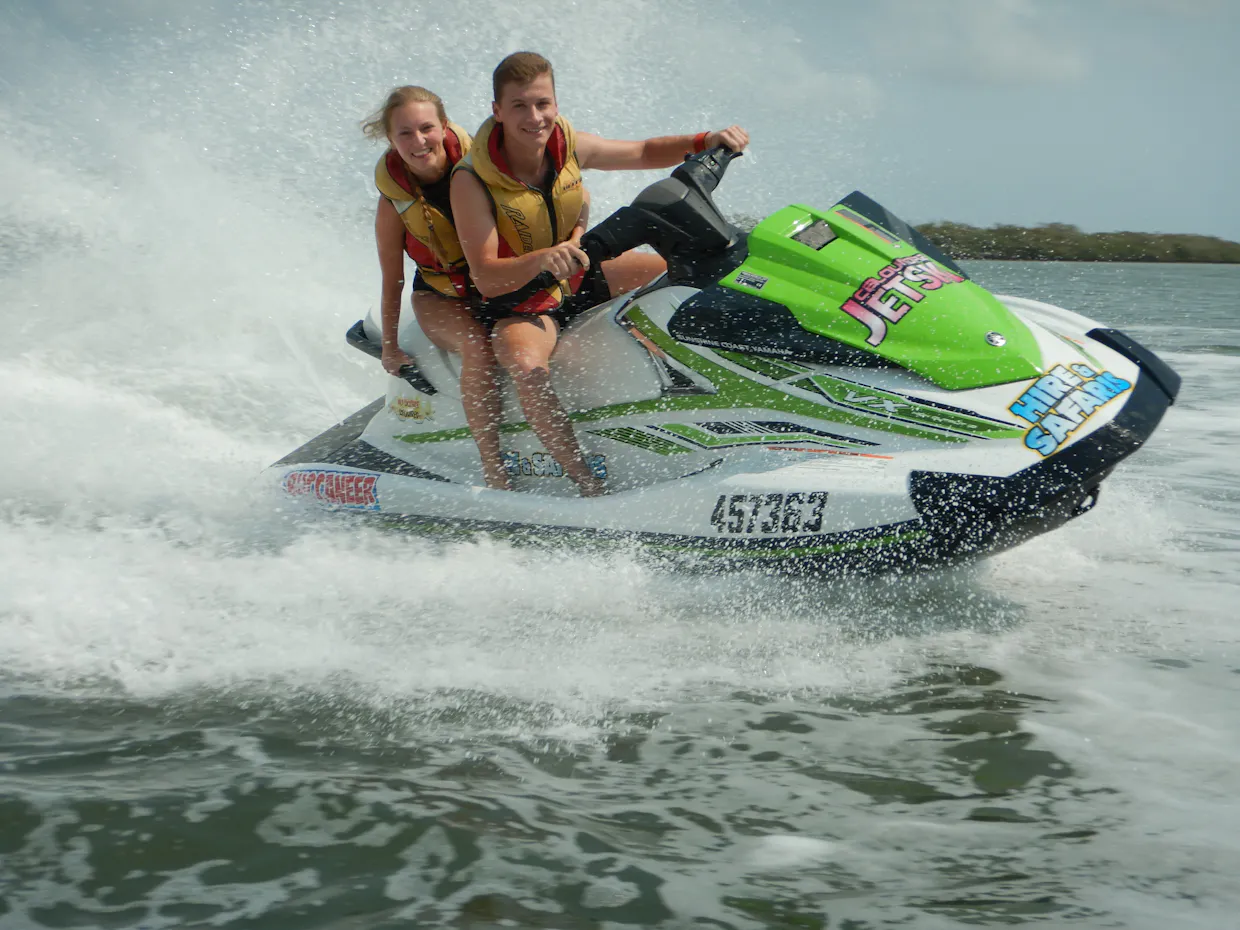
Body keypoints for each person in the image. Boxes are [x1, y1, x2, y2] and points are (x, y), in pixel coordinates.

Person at [452, 51, 749, 497]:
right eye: (519, 106)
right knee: (528, 367)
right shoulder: (471, 180)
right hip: (518, 301)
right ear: (497, 110)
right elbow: (486, 278)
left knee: (696, 279)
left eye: (543, 103)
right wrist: (542, 259)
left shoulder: (566, 141)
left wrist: (707, 139)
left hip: (578, 273)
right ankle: (587, 485)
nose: (535, 117)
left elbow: (644, 152)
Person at [362, 86, 511, 490]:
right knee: (476, 347)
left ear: (444, 126)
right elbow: (392, 276)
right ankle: (494, 469)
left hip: (501, 278)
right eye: (404, 134)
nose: (418, 141)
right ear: (391, 140)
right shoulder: (393, 200)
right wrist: (390, 346)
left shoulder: (483, 165)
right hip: (440, 293)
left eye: (426, 128)